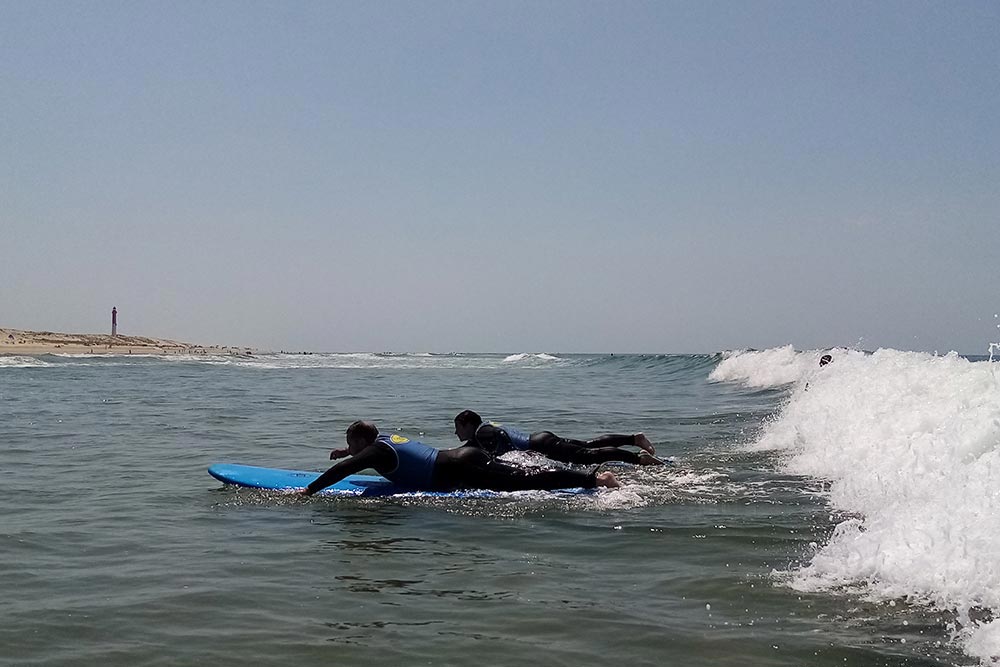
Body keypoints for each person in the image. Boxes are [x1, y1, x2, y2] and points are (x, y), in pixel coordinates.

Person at [302, 420, 620, 496]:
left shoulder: (375, 451)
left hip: (456, 467)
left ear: (361, 441)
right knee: (524, 476)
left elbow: (345, 469)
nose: (348, 449)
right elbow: (358, 455)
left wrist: (308, 491)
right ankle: (589, 476)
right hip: (462, 456)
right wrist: (348, 450)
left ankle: (596, 479)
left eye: (349, 443)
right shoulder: (384, 441)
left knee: (521, 484)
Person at [453, 410, 664, 466]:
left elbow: (500, 437)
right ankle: (634, 439)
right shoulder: (486, 426)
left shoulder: (483, 432)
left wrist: (518, 455)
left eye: (457, 428)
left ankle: (639, 459)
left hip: (540, 445)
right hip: (541, 438)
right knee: (587, 445)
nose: (456, 434)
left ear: (467, 424)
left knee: (588, 456)